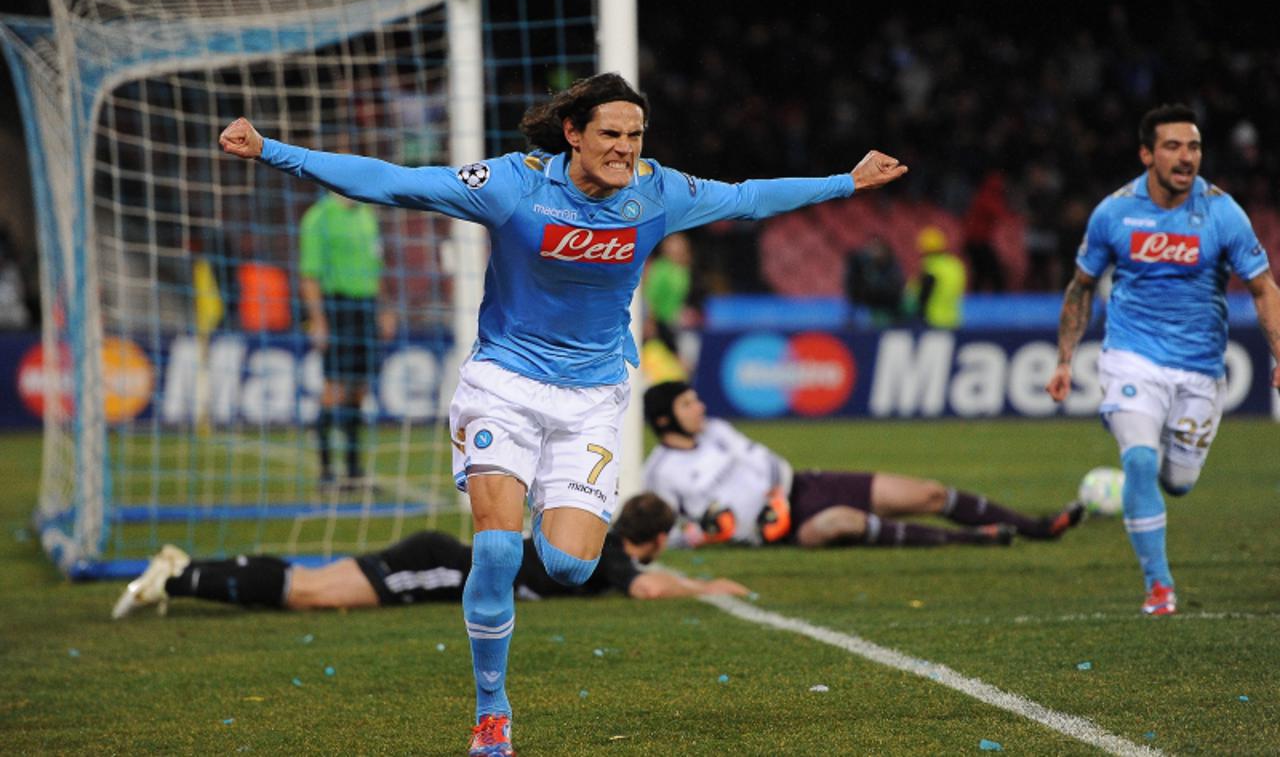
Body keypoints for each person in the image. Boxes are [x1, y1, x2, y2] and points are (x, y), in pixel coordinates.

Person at [218, 71, 908, 756]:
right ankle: (493, 715)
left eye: (636, 136)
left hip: (591, 400)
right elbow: (398, 183)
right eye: (611, 134)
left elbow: (751, 198)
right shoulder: (514, 186)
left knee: (570, 567)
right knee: (493, 548)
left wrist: (845, 182)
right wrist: (275, 149)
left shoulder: (657, 193)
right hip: (504, 385)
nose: (625, 149)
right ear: (573, 134)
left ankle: (553, 513)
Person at [1046, 104, 1280, 617]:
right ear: (1147, 154)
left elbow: (1263, 288)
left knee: (1177, 481)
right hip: (1132, 357)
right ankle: (1159, 586)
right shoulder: (1114, 212)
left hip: (1200, 367)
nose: (1186, 157)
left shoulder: (1222, 212)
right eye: (1173, 146)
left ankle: (1133, 480)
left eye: (1193, 146)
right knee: (1141, 459)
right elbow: (1081, 287)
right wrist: (1065, 360)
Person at [110, 492, 747, 619]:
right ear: (655, 539)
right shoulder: (608, 559)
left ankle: (182, 569)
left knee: (313, 582)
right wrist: (708, 587)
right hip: (448, 566)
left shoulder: (600, 545)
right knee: (314, 595)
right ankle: (182, 579)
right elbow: (647, 589)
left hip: (446, 557)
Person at [642, 381, 1082, 550]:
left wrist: (776, 495)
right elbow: (665, 534)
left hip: (804, 487)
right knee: (843, 523)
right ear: (665, 419)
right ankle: (970, 539)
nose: (699, 406)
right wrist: (707, 534)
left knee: (926, 492)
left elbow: (766, 461)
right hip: (778, 534)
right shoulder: (659, 472)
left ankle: (1038, 527)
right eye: (687, 403)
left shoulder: (716, 430)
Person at [298, 191, 396, 488]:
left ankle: (354, 471)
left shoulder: (366, 215)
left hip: (366, 308)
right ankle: (327, 471)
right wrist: (318, 320)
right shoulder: (318, 217)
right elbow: (309, 275)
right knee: (334, 388)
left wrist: (385, 308)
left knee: (360, 389)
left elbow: (377, 267)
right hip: (336, 307)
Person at [909, 225, 965, 329]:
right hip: (953, 319)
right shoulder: (955, 265)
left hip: (933, 320)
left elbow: (921, 295)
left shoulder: (931, 267)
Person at [844, 235, 904, 327]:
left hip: (888, 308)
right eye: (871, 248)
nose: (873, 252)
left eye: (876, 248)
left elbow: (895, 289)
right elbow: (852, 288)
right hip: (867, 307)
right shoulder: (863, 266)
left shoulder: (891, 267)